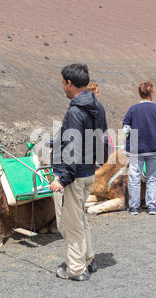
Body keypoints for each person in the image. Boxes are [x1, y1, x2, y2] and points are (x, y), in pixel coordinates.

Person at [49, 64, 108, 281]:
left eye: (63, 83)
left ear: (69, 83)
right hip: (88, 173)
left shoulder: (75, 111)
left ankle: (75, 269)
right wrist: (97, 163)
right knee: (81, 219)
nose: (63, 87)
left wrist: (62, 179)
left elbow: (71, 148)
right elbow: (102, 139)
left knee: (71, 224)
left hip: (74, 176)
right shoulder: (97, 106)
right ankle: (88, 259)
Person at [123, 82, 156, 216]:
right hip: (153, 149)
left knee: (134, 178)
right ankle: (152, 206)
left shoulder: (133, 109)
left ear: (140, 93)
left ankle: (134, 207)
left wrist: (129, 146)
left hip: (136, 151)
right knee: (151, 178)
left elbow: (125, 129)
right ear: (151, 93)